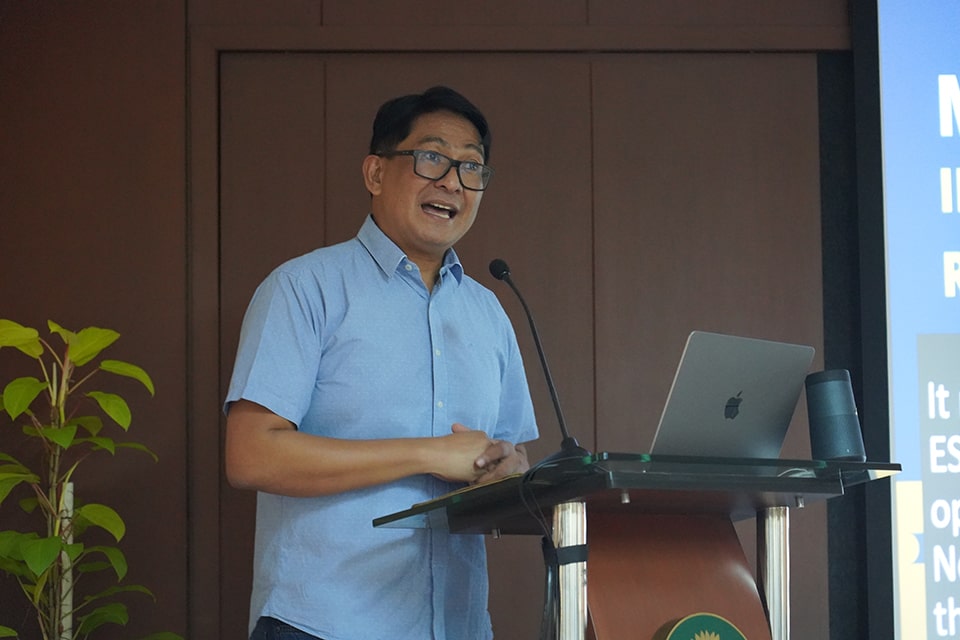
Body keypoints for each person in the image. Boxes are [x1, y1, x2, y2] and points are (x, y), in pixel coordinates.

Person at [224, 85, 539, 640]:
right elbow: (250, 455)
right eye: (432, 157)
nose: (452, 182)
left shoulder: (489, 312)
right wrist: (428, 453)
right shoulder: (304, 288)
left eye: (471, 167)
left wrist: (507, 469)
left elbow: (506, 454)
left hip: (457, 625)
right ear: (375, 173)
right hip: (323, 623)